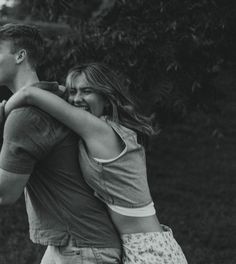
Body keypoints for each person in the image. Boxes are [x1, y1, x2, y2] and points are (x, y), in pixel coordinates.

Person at [5, 62, 188, 263]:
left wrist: (4, 111)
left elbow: (29, 95)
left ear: (106, 98)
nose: (76, 99)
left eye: (87, 91)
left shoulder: (102, 132)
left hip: (148, 250)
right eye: (73, 91)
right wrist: (63, 89)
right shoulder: (104, 128)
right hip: (141, 243)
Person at [0, 24, 122, 263]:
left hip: (80, 247)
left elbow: (5, 194)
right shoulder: (59, 98)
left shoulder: (25, 116)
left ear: (20, 55)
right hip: (84, 241)